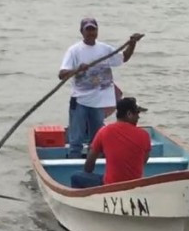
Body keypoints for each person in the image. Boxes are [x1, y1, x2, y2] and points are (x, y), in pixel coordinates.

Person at [59, 17, 144, 158]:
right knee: (76, 140)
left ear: (97, 31)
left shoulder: (104, 49)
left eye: (93, 29)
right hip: (80, 101)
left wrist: (132, 44)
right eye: (88, 30)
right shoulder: (74, 51)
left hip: (99, 103)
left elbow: (123, 58)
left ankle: (95, 167)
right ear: (82, 32)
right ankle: (73, 163)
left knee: (97, 139)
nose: (91, 33)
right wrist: (76, 70)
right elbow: (61, 74)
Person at [70, 97, 152, 189]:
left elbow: (89, 164)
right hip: (134, 186)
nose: (138, 117)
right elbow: (143, 162)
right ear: (129, 114)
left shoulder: (104, 131)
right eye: (137, 113)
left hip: (110, 185)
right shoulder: (145, 135)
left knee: (75, 177)